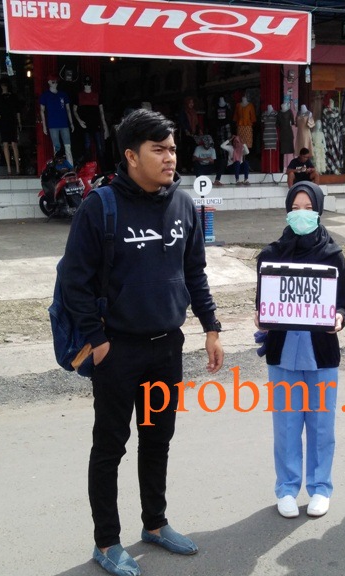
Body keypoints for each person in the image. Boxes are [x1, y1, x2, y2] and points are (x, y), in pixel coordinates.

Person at [60, 108, 224, 576]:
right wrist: (97, 340)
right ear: (132, 156)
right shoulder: (101, 207)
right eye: (159, 150)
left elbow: (194, 272)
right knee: (110, 446)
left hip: (165, 348)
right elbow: (74, 281)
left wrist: (210, 327)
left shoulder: (183, 205)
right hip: (117, 352)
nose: (171, 158)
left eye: (172, 149)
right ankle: (107, 542)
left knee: (157, 439)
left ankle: (155, 522)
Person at [255, 181, 345, 519]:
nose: (301, 214)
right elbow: (262, 305)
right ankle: (286, 488)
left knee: (322, 426)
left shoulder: (333, 256)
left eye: (308, 208)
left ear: (319, 211)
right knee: (286, 426)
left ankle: (320, 488)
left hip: (321, 354)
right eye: (295, 208)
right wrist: (261, 318)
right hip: (283, 354)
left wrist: (339, 317)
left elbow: (344, 304)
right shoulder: (270, 255)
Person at [40, 74, 74, 166]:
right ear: (49, 82)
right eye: (53, 82)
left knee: (68, 147)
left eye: (56, 82)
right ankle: (58, 168)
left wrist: (71, 123)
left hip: (64, 124)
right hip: (53, 125)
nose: (55, 83)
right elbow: (42, 111)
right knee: (56, 147)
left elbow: (68, 109)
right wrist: (44, 126)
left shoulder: (63, 94)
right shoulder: (45, 95)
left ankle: (71, 167)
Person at [73, 75, 109, 162]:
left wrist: (104, 125)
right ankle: (89, 165)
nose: (87, 85)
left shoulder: (97, 96)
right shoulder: (79, 96)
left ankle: (101, 166)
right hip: (85, 125)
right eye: (86, 84)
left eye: (89, 84)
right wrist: (80, 121)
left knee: (99, 147)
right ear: (83, 84)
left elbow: (101, 111)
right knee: (87, 146)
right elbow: (74, 110)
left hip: (96, 124)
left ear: (91, 84)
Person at [0, 78, 22, 176]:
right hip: (3, 121)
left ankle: (17, 168)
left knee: (14, 144)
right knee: (5, 144)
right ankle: (9, 168)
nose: (4, 87)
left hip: (12, 120)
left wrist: (19, 122)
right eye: (2, 85)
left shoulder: (13, 96)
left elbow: (17, 110)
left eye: (5, 85)